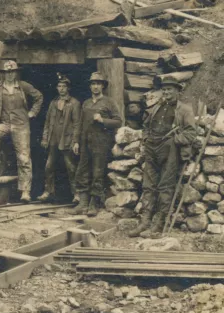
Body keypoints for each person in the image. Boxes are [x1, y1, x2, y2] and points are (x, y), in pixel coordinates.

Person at [128, 77, 197, 238]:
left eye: (170, 89)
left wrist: (174, 140)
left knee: (165, 187)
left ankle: (157, 225)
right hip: (152, 148)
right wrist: (146, 138)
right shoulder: (157, 106)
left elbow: (191, 133)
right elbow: (146, 125)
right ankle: (145, 222)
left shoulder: (185, 109)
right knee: (148, 185)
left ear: (178, 91)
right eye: (164, 89)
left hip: (170, 149)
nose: (166, 92)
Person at [0, 60, 43, 203]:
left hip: (21, 125)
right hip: (5, 123)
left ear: (16, 73)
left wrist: (33, 112)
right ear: (3, 74)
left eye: (12, 72)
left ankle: (25, 191)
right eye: (6, 72)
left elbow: (39, 97)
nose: (9, 75)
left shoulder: (23, 86)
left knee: (24, 157)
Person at [71, 72, 123, 217]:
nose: (95, 86)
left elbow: (119, 121)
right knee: (82, 170)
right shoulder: (86, 103)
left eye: (98, 84)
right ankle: (82, 203)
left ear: (103, 86)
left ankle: (94, 203)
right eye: (93, 84)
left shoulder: (109, 102)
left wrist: (103, 120)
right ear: (90, 86)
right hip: (85, 141)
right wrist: (76, 141)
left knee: (97, 172)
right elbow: (80, 124)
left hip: (101, 142)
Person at [38, 73, 81, 203]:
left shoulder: (74, 103)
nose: (61, 88)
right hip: (53, 139)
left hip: (67, 140)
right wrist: (45, 138)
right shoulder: (53, 103)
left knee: (70, 167)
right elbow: (47, 122)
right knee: (48, 166)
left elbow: (77, 124)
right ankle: (48, 191)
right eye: (59, 86)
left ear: (68, 88)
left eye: (64, 86)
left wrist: (75, 141)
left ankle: (77, 193)